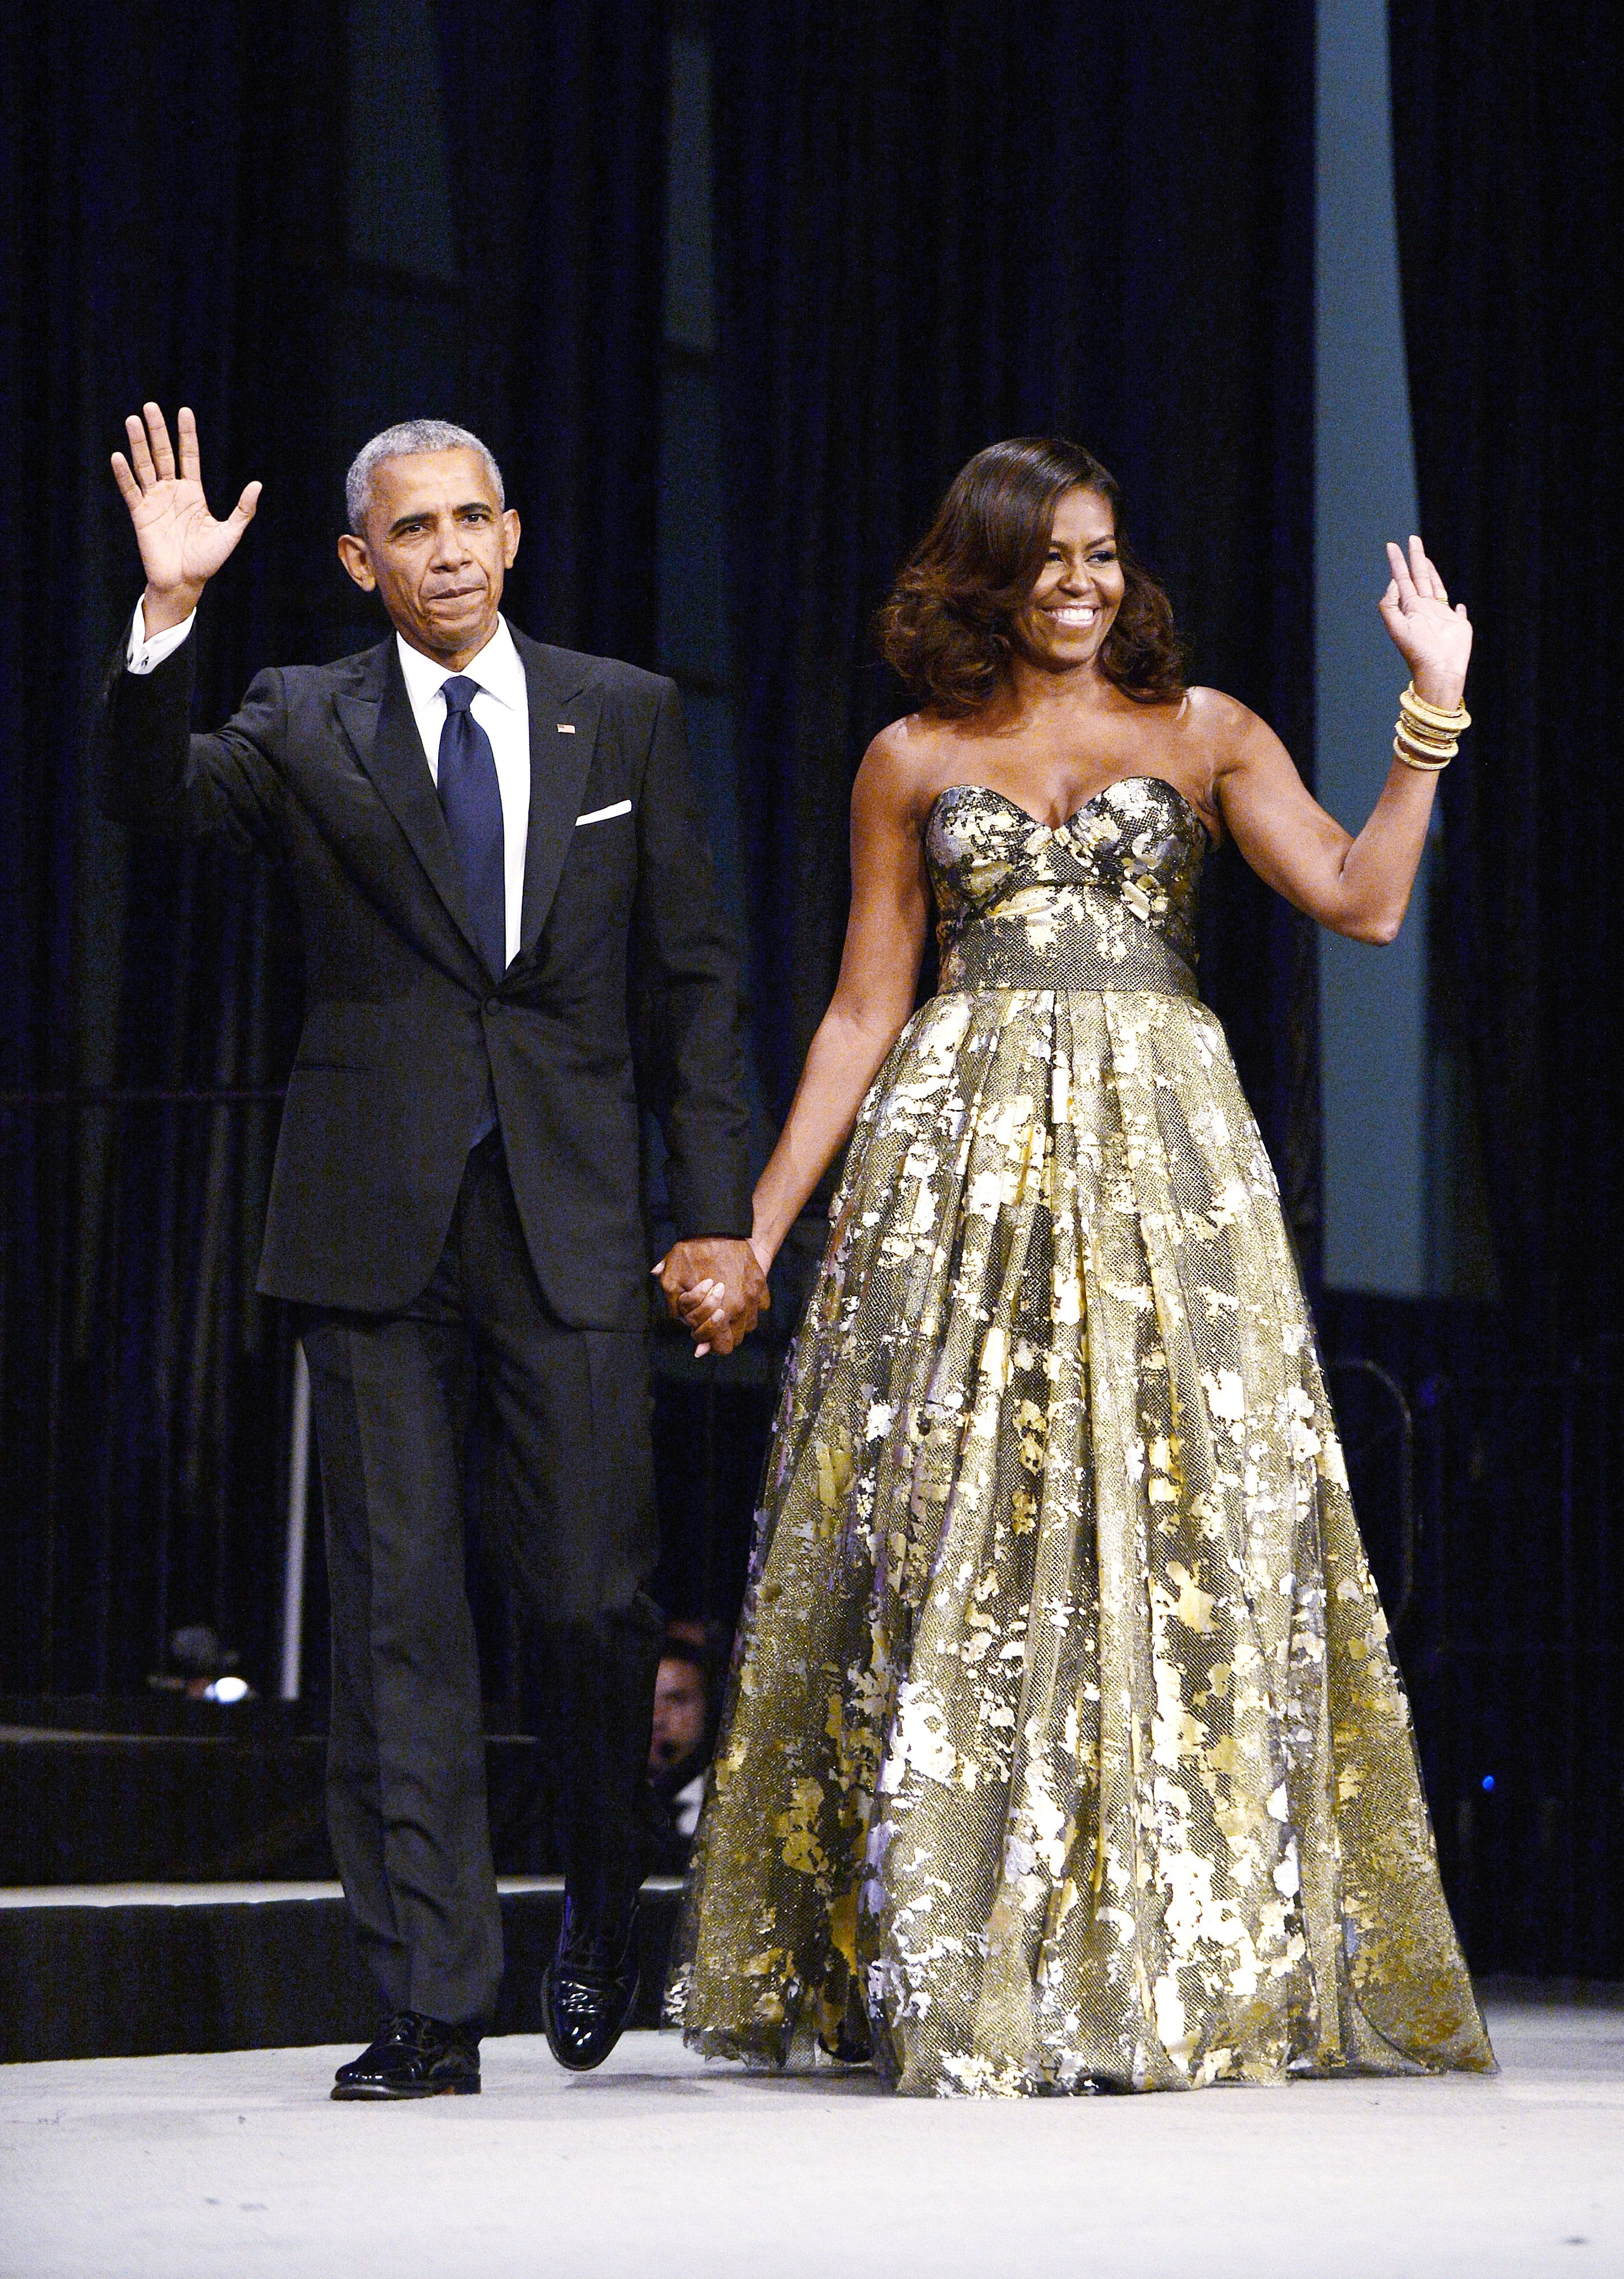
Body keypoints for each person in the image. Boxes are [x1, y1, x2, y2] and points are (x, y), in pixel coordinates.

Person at [669, 436, 1495, 2095]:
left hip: (1163, 1185)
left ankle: (1167, 1957)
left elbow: (1359, 894)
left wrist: (1430, 706)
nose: (1078, 586)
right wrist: (757, 1228)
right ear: (980, 573)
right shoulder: (907, 757)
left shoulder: (1201, 734)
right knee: (955, 1544)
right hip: (955, 1181)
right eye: (1044, 559)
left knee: (1171, 1532)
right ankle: (952, 1954)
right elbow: (856, 1010)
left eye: (1100, 554)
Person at [101, 404, 765, 2097]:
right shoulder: (303, 718)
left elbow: (689, 981)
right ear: (360, 557)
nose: (451, 547)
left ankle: (602, 1903)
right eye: (415, 528)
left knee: (592, 1597)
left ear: (513, 533)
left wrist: (712, 1213)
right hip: (370, 1218)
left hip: (572, 1218)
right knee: (397, 1620)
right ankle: (426, 2000)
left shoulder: (620, 711)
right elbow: (151, 802)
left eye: (474, 518)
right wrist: (167, 616)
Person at [647, 1636, 718, 1870]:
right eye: (645, 1700)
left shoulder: (723, 1805)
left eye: (676, 1700)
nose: (657, 1718)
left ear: (708, 1707)